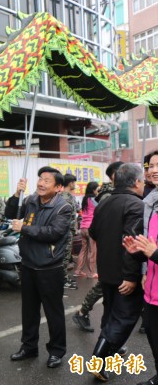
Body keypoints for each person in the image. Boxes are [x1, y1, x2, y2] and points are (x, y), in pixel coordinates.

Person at [5, 166, 72, 369]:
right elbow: (10, 214)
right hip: (28, 264)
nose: (41, 183)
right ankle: (29, 347)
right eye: (40, 179)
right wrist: (17, 195)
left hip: (49, 267)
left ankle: (57, 351)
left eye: (47, 180)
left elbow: (52, 233)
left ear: (59, 187)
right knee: (29, 311)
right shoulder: (31, 199)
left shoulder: (63, 207)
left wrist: (24, 228)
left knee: (53, 312)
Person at [88, 163, 145, 381]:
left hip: (107, 271)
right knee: (123, 317)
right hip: (124, 274)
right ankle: (99, 359)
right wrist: (131, 276)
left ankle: (111, 351)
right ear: (136, 182)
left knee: (111, 314)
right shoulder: (136, 205)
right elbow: (131, 243)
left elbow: (93, 232)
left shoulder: (104, 203)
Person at [72, 161, 124, 332]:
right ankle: (106, 331)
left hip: (120, 246)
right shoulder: (108, 195)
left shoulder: (115, 192)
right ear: (116, 175)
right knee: (106, 284)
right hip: (112, 246)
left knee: (108, 284)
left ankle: (86, 314)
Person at [123, 150, 158, 385]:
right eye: (151, 165)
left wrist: (154, 253)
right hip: (153, 293)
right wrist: (140, 257)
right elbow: (149, 244)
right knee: (155, 343)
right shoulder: (151, 203)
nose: (153, 170)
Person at [73, 181, 99, 278]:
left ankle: (78, 271)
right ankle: (92, 273)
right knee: (92, 251)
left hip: (83, 227)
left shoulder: (84, 199)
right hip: (91, 228)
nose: (98, 191)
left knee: (83, 250)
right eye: (97, 189)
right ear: (93, 189)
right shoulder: (94, 199)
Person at [61, 173, 79, 290]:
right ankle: (62, 280)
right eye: (74, 182)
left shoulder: (68, 196)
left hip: (69, 231)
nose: (75, 185)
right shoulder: (65, 197)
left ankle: (64, 277)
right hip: (65, 232)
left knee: (67, 257)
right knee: (64, 257)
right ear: (71, 183)